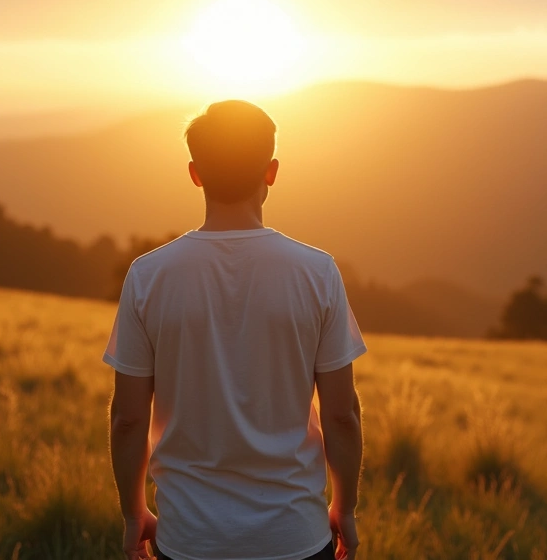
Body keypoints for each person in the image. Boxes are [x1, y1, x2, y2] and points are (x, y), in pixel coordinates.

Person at [104, 100, 366, 560]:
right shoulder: (317, 272)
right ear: (271, 172)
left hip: (189, 539)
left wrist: (133, 514)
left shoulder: (148, 276)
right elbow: (342, 415)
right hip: (296, 537)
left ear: (195, 174)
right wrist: (344, 508)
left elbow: (128, 419)